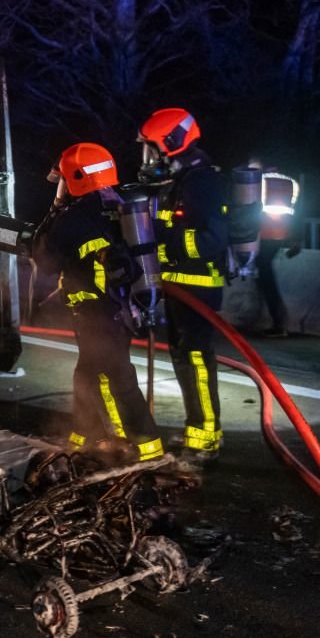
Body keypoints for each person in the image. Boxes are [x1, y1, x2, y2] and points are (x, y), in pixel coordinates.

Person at [34, 142, 166, 464]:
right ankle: (85, 436)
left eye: (64, 179)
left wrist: (53, 210)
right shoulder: (117, 206)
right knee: (88, 375)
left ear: (78, 179)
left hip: (96, 312)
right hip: (121, 309)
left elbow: (46, 260)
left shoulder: (74, 219)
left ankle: (146, 449)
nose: (61, 186)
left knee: (117, 378)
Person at [137, 108, 229, 465]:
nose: (150, 157)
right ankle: (197, 430)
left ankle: (206, 437)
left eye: (154, 148)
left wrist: (159, 236)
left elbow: (210, 240)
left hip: (198, 287)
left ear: (173, 142)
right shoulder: (182, 178)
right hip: (178, 286)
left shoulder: (202, 182)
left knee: (196, 362)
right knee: (183, 360)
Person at [250, 159, 302, 336]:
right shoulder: (292, 183)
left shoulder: (259, 180)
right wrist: (296, 239)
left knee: (265, 276)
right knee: (264, 274)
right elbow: (297, 211)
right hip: (282, 235)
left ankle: (278, 322)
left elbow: (249, 208)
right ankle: (273, 319)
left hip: (261, 233)